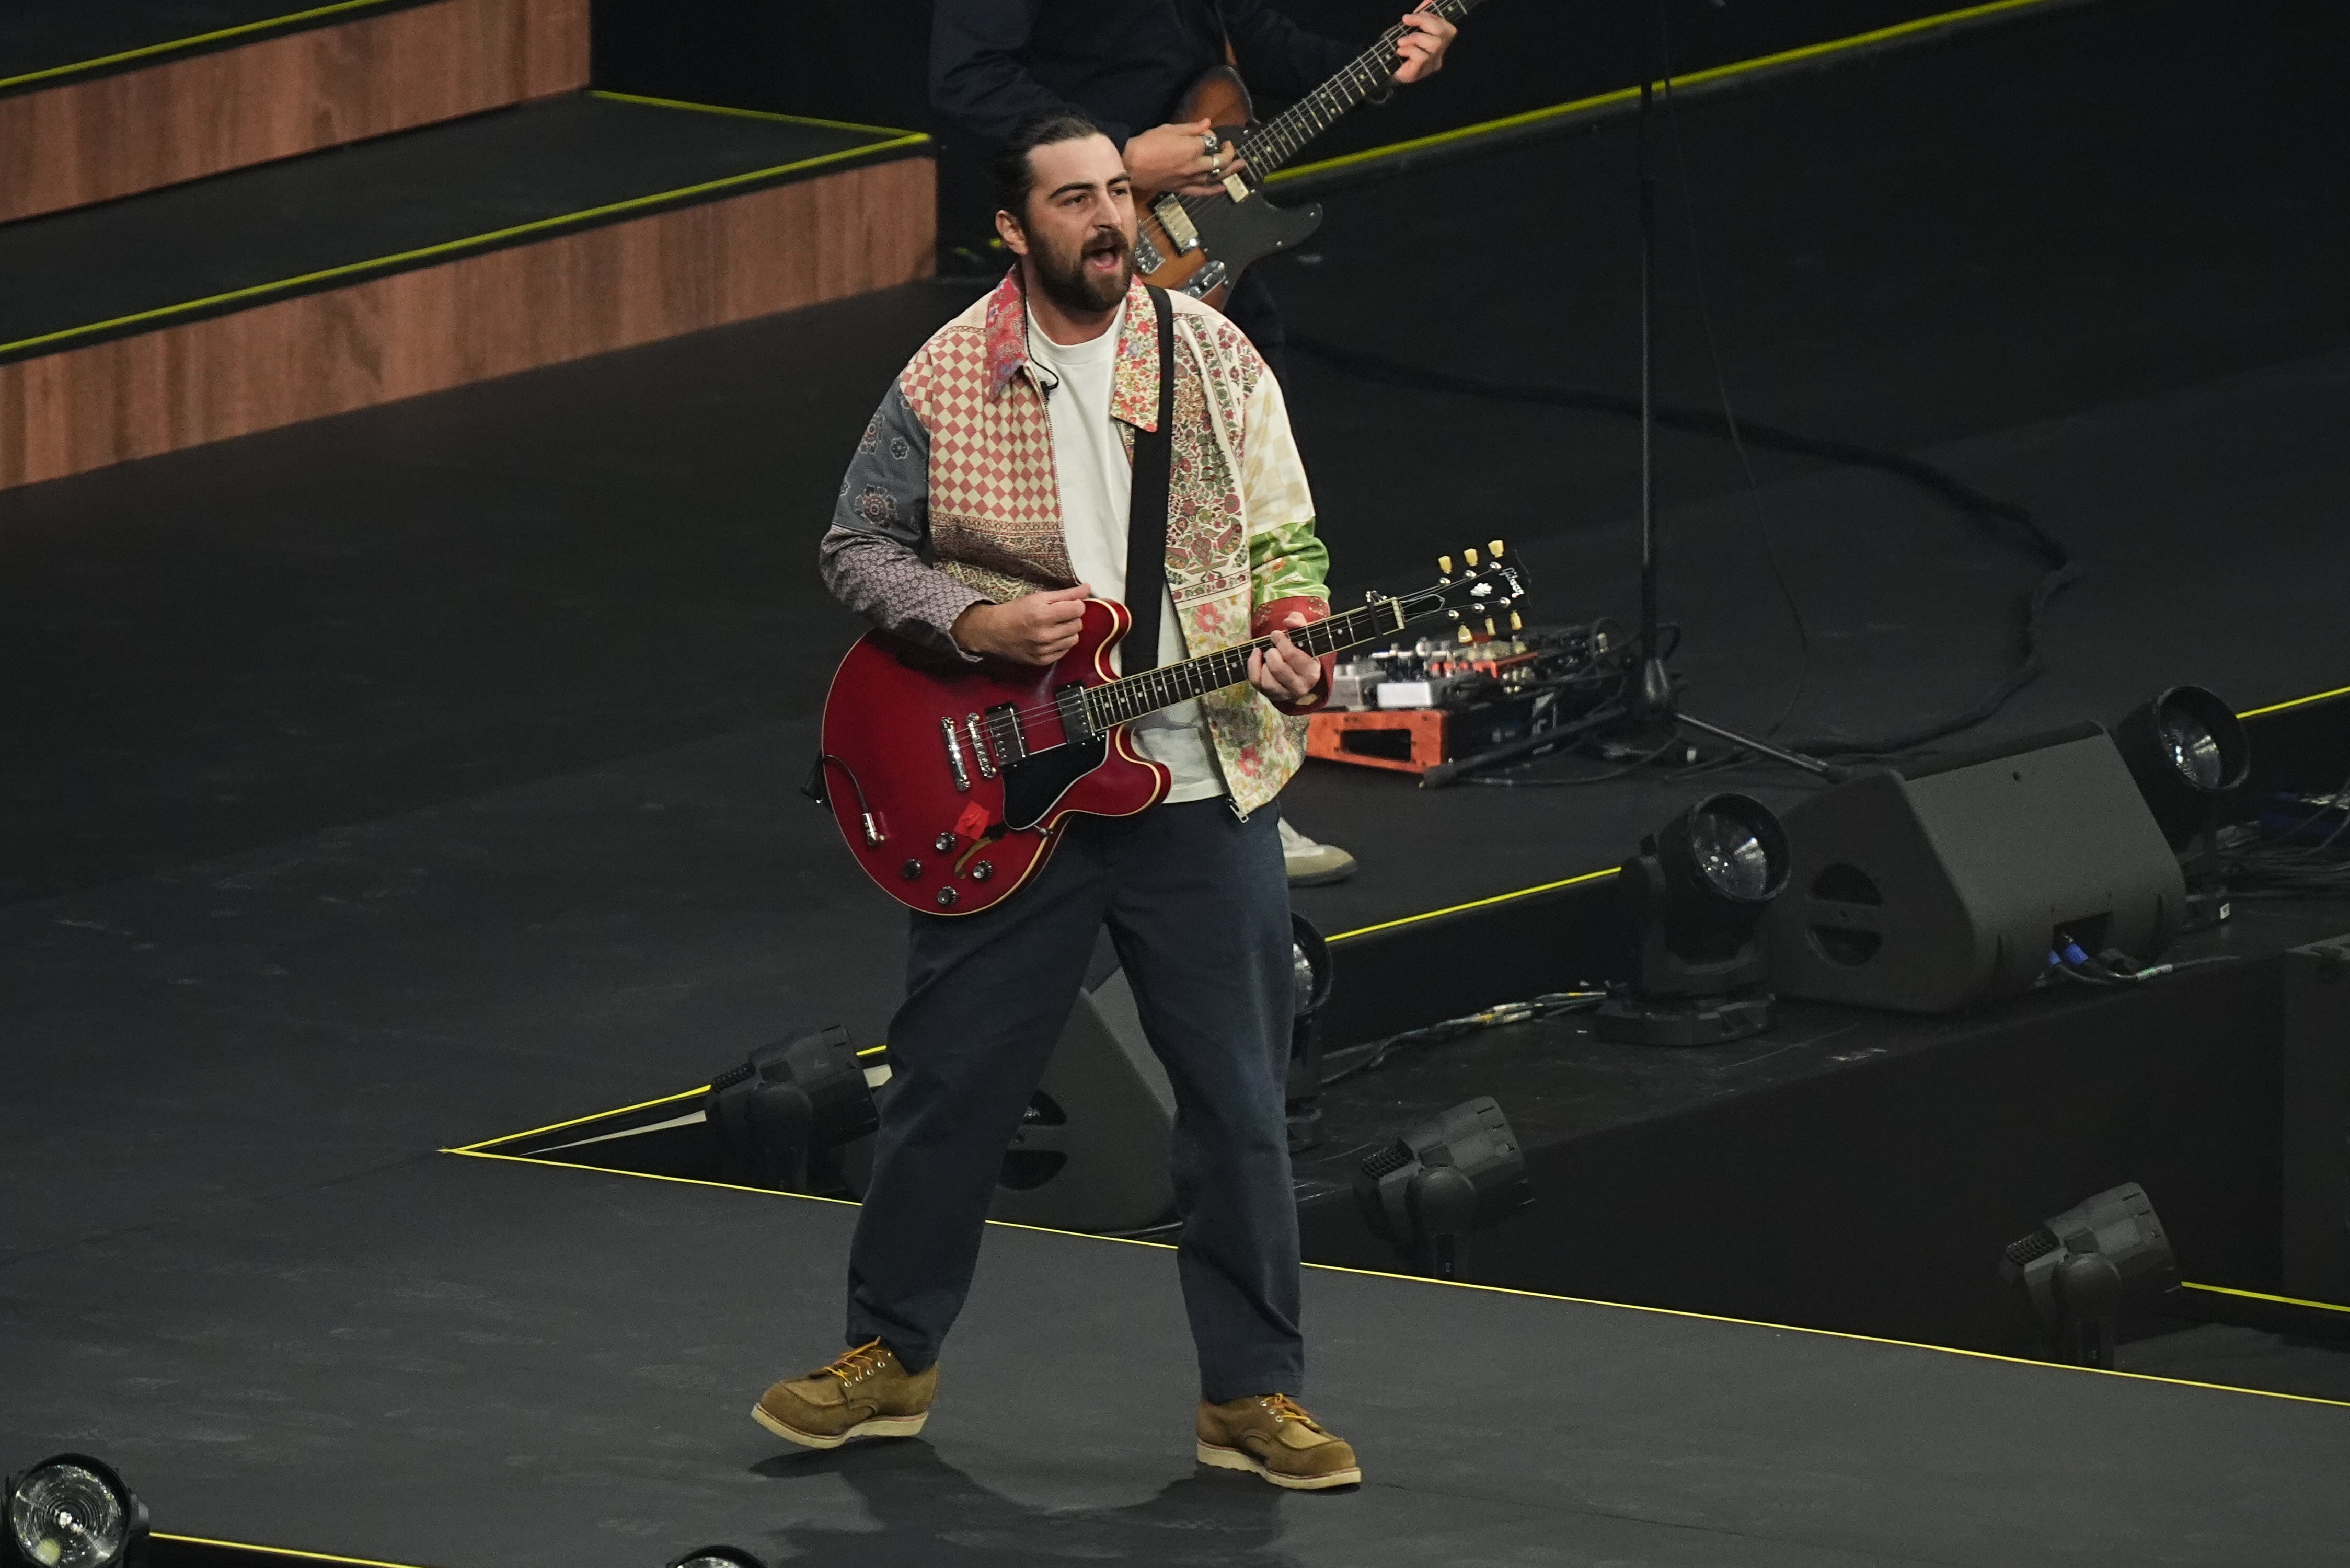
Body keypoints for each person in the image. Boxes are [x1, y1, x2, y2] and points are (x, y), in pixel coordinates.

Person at [755, 109, 1361, 1491]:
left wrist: (1295, 631)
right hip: (1019, 791)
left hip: (1198, 785)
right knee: (949, 1087)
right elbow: (856, 550)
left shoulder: (1213, 357)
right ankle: (889, 1355)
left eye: (1116, 195)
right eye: (1074, 199)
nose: (1107, 220)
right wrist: (971, 624)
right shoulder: (944, 376)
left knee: (1237, 1105)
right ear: (1012, 228)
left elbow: (1288, 539)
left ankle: (1251, 1394)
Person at [930, 0, 1459, 887]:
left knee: (1241, 544)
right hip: (1098, 260)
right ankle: (1063, 788)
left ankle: (1245, 801)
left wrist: (1379, 65)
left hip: (1217, 272)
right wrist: (1119, 157)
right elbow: (966, 78)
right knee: (1109, 549)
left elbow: (1252, 39)